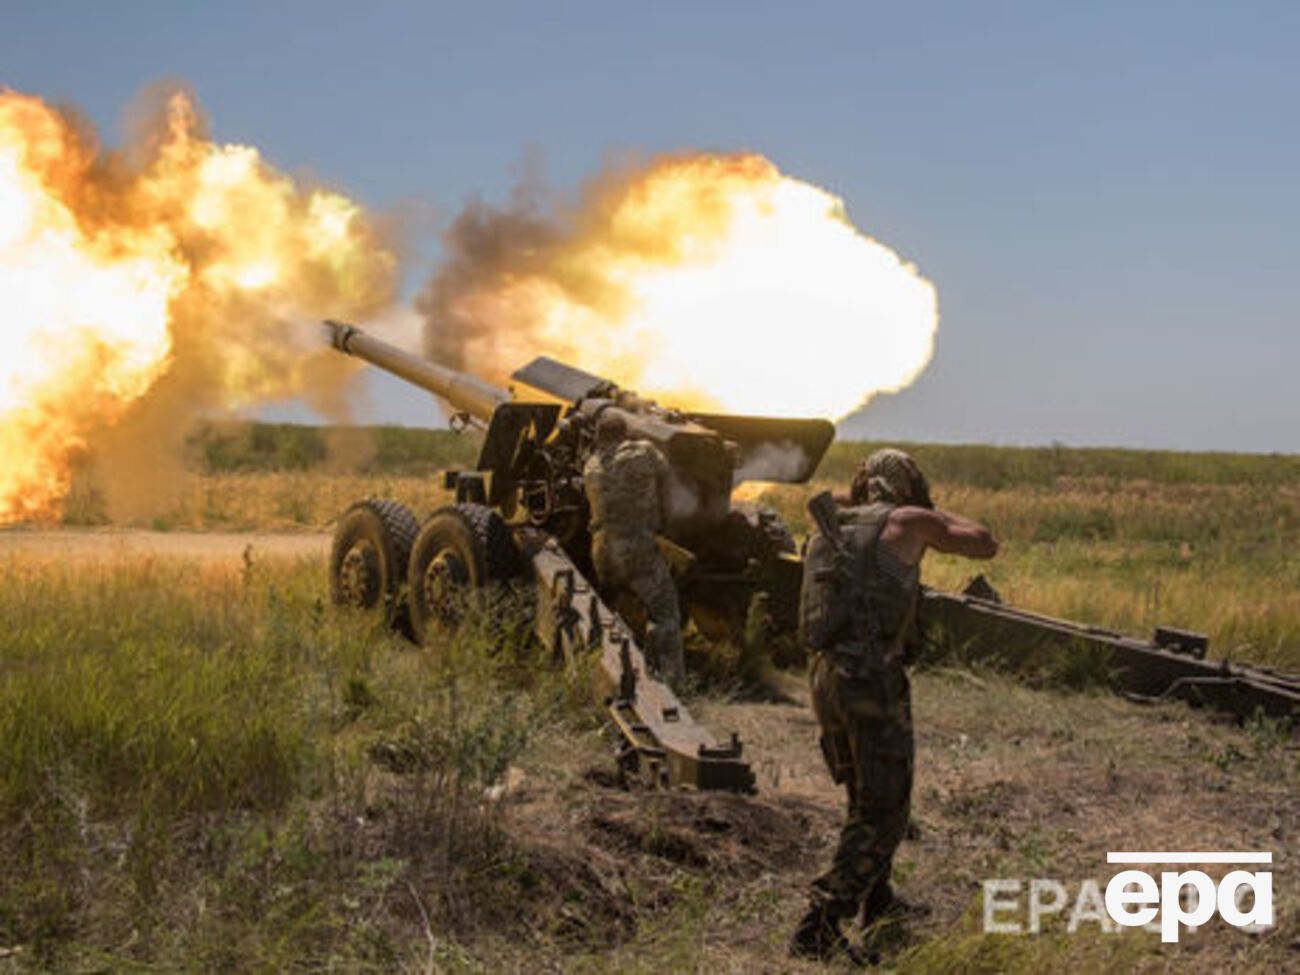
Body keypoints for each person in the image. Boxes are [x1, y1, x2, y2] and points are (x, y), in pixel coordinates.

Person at [791, 448, 998, 962]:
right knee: (886, 808)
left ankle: (877, 900)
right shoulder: (909, 521)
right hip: (870, 679)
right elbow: (984, 545)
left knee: (864, 792)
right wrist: (932, 511)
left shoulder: (831, 518)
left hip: (823, 675)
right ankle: (820, 921)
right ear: (908, 488)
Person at [583, 411, 686, 684]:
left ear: (597, 437)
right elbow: (667, 480)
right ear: (625, 433)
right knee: (664, 612)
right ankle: (669, 681)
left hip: (602, 552)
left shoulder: (590, 464)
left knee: (613, 610)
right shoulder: (644, 451)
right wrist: (667, 525)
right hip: (636, 548)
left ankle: (609, 670)